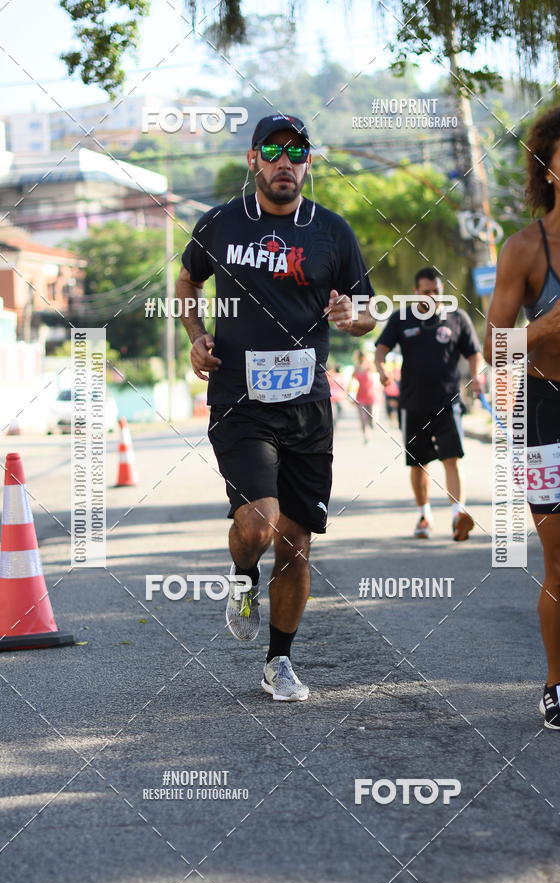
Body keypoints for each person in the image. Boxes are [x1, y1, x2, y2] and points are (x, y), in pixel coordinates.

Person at [177, 113, 374, 702]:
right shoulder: (219, 223)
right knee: (259, 520)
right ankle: (243, 576)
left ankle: (279, 662)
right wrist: (194, 333)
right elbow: (187, 280)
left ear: (308, 162)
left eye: (297, 153)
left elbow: (366, 311)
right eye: (273, 151)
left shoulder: (333, 232)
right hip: (239, 398)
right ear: (253, 160)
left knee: (296, 541)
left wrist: (353, 318)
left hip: (308, 403)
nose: (285, 162)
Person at [484, 102, 560, 732]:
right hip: (547, 413)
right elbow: (491, 349)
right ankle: (556, 682)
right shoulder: (527, 248)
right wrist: (539, 327)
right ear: (548, 170)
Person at [375, 267, 484, 540]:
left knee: (452, 459)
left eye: (436, 291)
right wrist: (381, 368)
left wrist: (477, 376)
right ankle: (425, 516)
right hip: (413, 403)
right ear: (415, 292)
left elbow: (474, 353)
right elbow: (381, 348)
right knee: (418, 464)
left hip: (448, 402)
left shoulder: (456, 318)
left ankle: (459, 516)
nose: (432, 296)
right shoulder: (401, 317)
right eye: (426, 292)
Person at [352, 351, 377, 443]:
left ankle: (370, 432)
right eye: (360, 357)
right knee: (363, 418)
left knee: (370, 418)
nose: (362, 358)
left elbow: (375, 371)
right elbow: (352, 381)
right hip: (360, 396)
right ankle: (366, 436)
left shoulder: (369, 366)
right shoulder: (356, 368)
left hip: (370, 395)